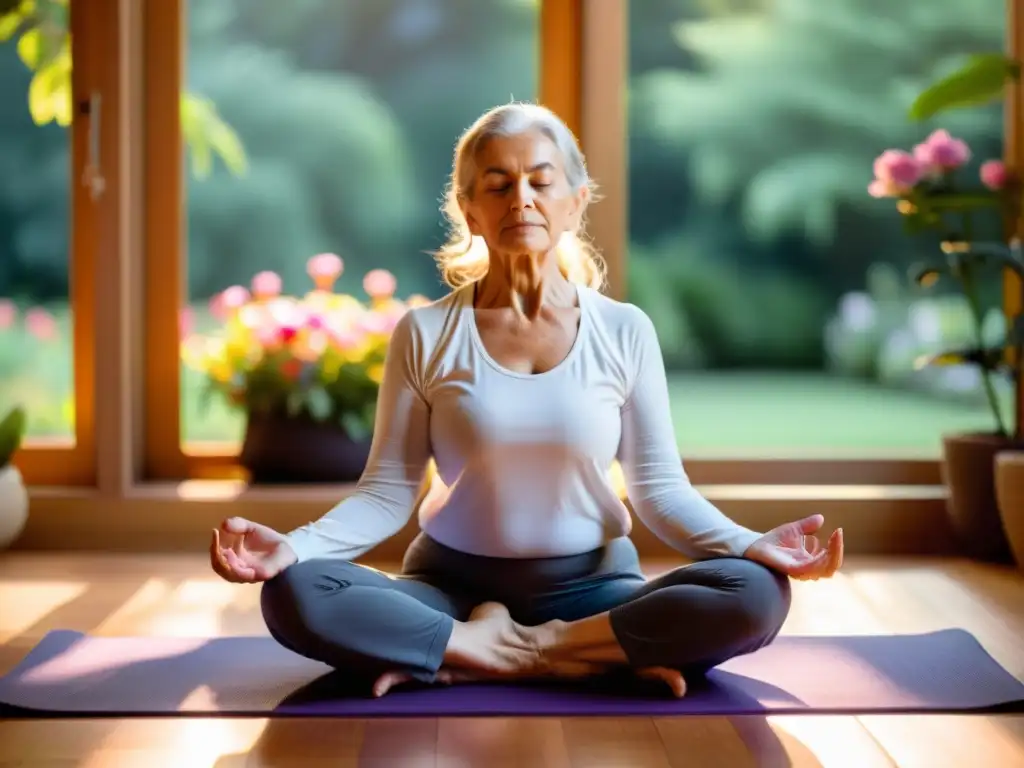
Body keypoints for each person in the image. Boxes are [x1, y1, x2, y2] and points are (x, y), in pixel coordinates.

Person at [209, 102, 844, 699]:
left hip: (596, 589)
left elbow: (659, 490)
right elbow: (385, 493)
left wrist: (746, 544)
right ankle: (568, 654)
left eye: (542, 181)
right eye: (498, 183)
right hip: (449, 589)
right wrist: (295, 547)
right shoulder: (425, 332)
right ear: (469, 208)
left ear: (575, 202)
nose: (522, 199)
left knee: (757, 594)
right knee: (293, 593)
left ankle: (500, 652)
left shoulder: (625, 330)